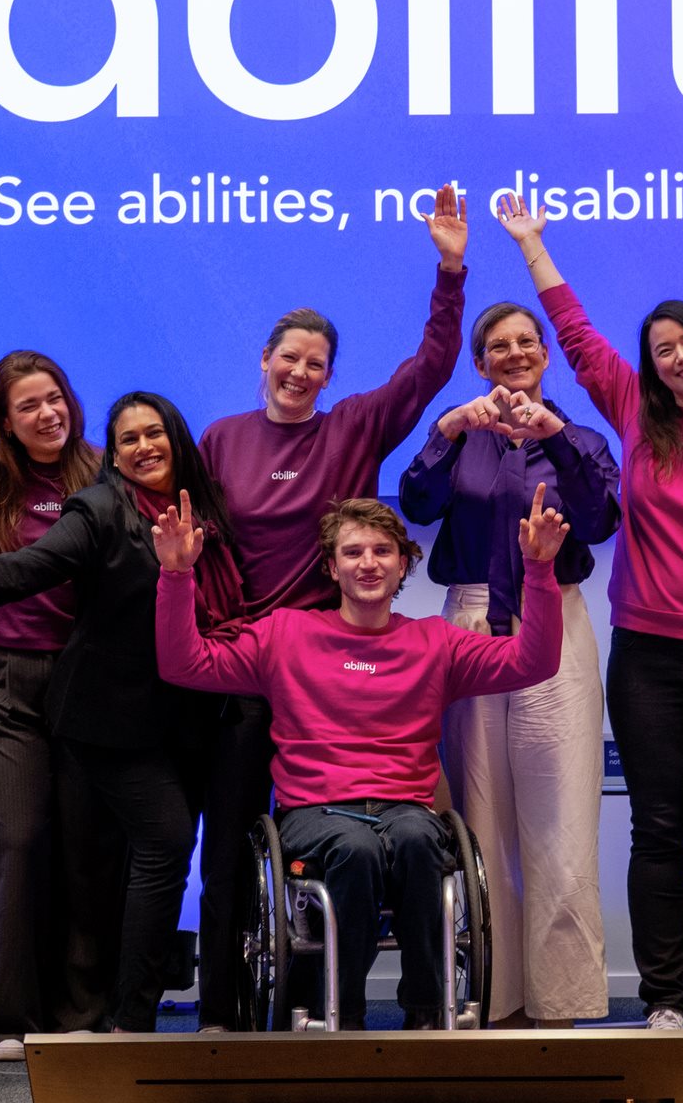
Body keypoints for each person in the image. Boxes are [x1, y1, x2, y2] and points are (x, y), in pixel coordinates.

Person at [491, 190, 683, 1030]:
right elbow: (576, 333)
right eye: (661, 349)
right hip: (647, 654)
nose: (676, 358)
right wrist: (533, 245)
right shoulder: (635, 413)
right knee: (659, 827)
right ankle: (667, 997)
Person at [194, 194, 474, 1032]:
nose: (301, 371)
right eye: (290, 357)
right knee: (230, 850)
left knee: (375, 833)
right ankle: (222, 1011)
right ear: (265, 359)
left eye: (317, 362)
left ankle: (378, 1004)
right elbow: (202, 547)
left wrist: (450, 270)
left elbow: (429, 367)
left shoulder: (354, 426)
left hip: (329, 663)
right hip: (251, 662)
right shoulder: (220, 439)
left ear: (329, 373)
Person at [155, 490, 571, 1029]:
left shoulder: (434, 643)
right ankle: (342, 1012)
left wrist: (538, 570)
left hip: (406, 809)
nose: (368, 563)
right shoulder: (286, 633)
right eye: (353, 553)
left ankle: (426, 1010)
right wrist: (175, 577)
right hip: (316, 813)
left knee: (421, 842)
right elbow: (184, 664)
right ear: (331, 567)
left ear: (403, 564)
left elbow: (533, 660)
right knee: (355, 850)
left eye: (381, 551)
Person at [0, 392, 240, 1034]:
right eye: (128, 438)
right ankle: (131, 1023)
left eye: (153, 433)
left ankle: (121, 1011)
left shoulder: (206, 502)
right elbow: (19, 570)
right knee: (162, 842)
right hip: (106, 720)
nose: (143, 448)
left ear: (176, 437)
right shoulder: (100, 509)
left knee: (131, 860)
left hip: (189, 718)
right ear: (113, 453)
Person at [394, 302, 621, 1027]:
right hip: (468, 621)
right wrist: (448, 427)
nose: (515, 352)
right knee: (480, 815)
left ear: (546, 353)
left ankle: (561, 1002)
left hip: (558, 614)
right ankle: (492, 998)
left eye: (527, 341)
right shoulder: (464, 434)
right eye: (499, 345)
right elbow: (417, 503)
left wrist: (558, 437)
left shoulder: (576, 435)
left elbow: (604, 516)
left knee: (561, 820)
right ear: (480, 360)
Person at [0, 349, 111, 1057]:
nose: (47, 413)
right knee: (20, 837)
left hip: (87, 677)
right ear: (6, 423)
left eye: (55, 398)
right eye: (28, 406)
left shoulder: (105, 467)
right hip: (2, 676)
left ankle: (79, 1013)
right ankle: (11, 1019)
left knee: (84, 844)